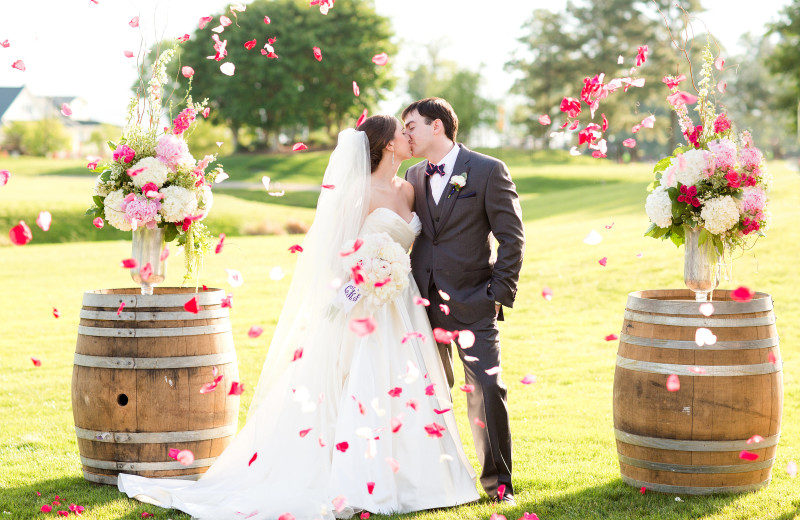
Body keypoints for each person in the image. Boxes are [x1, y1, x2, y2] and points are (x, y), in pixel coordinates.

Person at [117, 116, 480, 519]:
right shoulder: (357, 191)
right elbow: (334, 253)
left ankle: (416, 478)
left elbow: (409, 243)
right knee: (360, 380)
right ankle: (355, 477)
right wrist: (361, 280)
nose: (409, 136)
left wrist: (391, 272)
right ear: (387, 144)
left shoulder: (409, 188)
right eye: (402, 132)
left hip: (401, 302)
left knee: (405, 384)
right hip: (360, 300)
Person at [402, 98, 525, 505]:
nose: (406, 134)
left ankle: (499, 487)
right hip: (422, 304)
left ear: (437, 126)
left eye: (411, 126)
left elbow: (512, 238)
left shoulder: (489, 170)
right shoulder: (412, 175)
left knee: (487, 390)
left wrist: (497, 294)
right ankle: (433, 484)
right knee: (428, 394)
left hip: (475, 302)